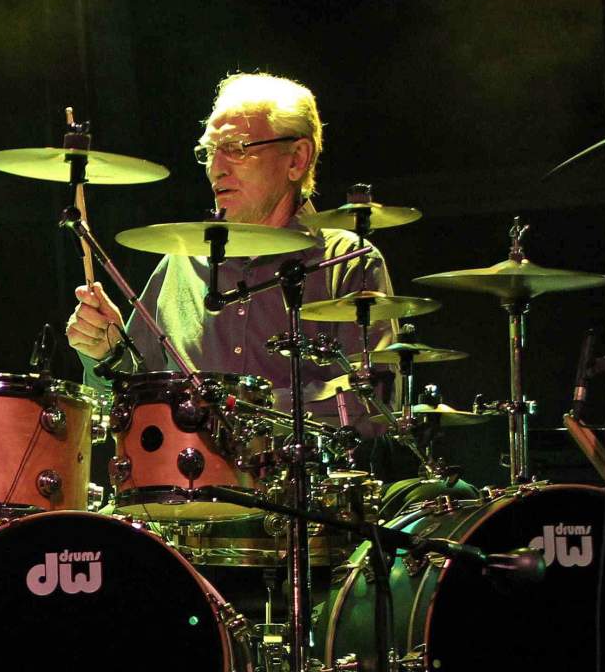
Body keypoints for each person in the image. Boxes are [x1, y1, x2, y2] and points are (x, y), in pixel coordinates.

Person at [64, 72, 396, 424]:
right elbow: (125, 405)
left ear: (297, 159)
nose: (216, 170)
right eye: (209, 152)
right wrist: (107, 352)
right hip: (183, 477)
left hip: (297, 477)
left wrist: (238, 408)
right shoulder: (181, 261)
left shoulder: (347, 262)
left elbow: (373, 401)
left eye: (236, 149)